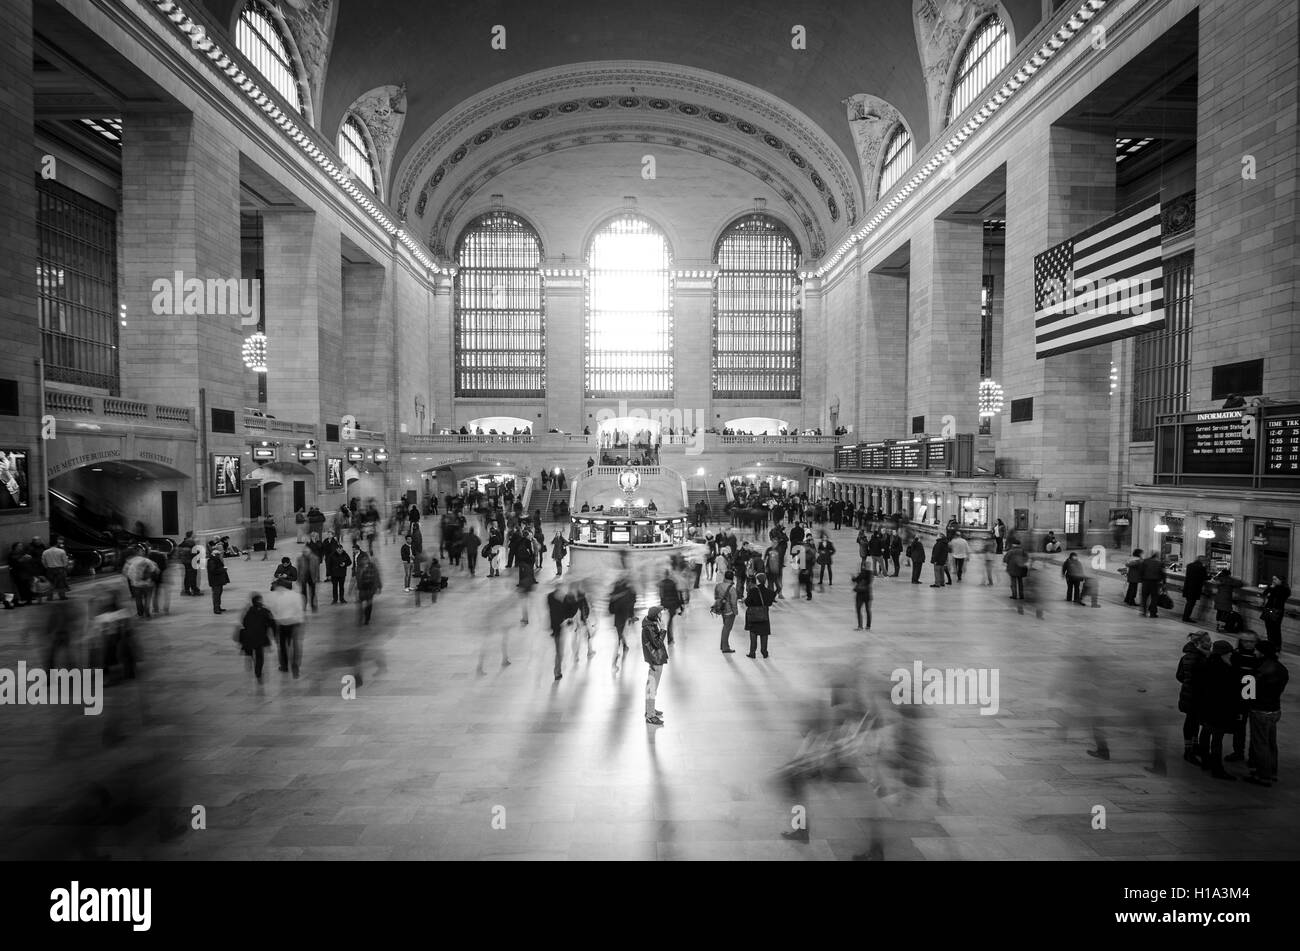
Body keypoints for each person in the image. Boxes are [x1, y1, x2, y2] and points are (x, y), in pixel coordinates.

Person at [1194, 640, 1241, 780]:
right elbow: (1230, 691)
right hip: (1219, 710)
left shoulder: (1205, 664)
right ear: (1225, 653)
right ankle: (1217, 768)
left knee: (1205, 732)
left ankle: (1205, 760)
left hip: (1206, 707)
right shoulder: (1225, 669)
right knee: (1217, 739)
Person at [1245, 642, 1288, 786]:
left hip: (1260, 710)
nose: (1255, 652)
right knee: (1271, 743)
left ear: (1263, 653)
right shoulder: (1282, 669)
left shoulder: (1260, 670)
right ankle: (1272, 772)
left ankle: (1263, 776)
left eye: (1257, 650)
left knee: (1260, 744)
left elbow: (1248, 692)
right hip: (1275, 709)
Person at [1176, 631, 1212, 764]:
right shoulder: (1199, 658)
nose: (1210, 643)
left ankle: (1194, 745)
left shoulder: (1187, 657)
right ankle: (1189, 749)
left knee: (1194, 720)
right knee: (1192, 721)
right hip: (1194, 695)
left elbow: (1179, 676)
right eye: (1207, 641)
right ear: (1198, 644)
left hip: (1189, 694)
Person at [266, 577, 304, 677]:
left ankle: (284, 666)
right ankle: (295, 664)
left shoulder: (275, 596)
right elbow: (299, 609)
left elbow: (272, 611)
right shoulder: (296, 595)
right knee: (295, 645)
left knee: (282, 646)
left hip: (281, 623)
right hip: (295, 623)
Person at [237, 593, 276, 681]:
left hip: (248, 636)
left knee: (251, 649)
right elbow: (272, 623)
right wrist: (274, 634)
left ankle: (249, 656)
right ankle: (258, 672)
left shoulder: (249, 611)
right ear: (259, 601)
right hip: (260, 636)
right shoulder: (265, 611)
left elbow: (244, 623)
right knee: (259, 655)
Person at [547, 579, 580, 681]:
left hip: (556, 627)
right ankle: (557, 672)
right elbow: (570, 612)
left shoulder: (550, 597)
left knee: (559, 651)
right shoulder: (563, 598)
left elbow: (568, 612)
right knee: (559, 652)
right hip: (559, 627)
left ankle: (557, 671)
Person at [642, 606, 669, 725]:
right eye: (660, 613)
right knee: (651, 688)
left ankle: (650, 710)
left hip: (656, 659)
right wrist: (663, 629)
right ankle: (650, 715)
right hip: (655, 661)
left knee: (652, 687)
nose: (661, 615)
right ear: (656, 616)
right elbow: (657, 643)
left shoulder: (650, 625)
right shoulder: (649, 628)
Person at [744, 572, 775, 659]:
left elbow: (747, 603)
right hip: (764, 615)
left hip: (753, 615)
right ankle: (764, 652)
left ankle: (752, 652)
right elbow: (770, 602)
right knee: (764, 633)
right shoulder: (769, 592)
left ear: (757, 581)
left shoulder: (753, 591)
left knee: (753, 632)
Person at [1259, 574, 1290, 652]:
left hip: (1277, 611)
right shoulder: (1272, 587)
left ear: (1281, 580)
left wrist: (1272, 589)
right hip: (1268, 609)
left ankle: (1277, 646)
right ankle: (1270, 644)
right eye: (1273, 579)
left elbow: (1279, 596)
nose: (1273, 581)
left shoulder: (1285, 589)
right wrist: (1270, 588)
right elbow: (1264, 594)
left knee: (1275, 629)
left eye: (1275, 579)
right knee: (1268, 628)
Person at [124, 546, 156, 618]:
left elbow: (125, 572)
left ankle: (140, 613)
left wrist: (132, 579)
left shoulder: (130, 560)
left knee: (138, 599)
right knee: (147, 598)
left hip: (136, 584)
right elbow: (154, 569)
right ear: (141, 553)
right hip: (148, 583)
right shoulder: (147, 560)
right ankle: (147, 613)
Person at [714, 570, 738, 653]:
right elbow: (734, 602)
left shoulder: (718, 585)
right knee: (727, 628)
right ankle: (725, 647)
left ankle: (723, 645)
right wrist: (735, 612)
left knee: (725, 627)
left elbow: (716, 597)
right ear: (732, 578)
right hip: (730, 611)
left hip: (722, 609)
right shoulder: (732, 588)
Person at [355, 551, 382, 626]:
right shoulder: (359, 567)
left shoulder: (372, 566)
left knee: (369, 604)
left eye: (365, 559)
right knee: (360, 603)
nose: (364, 560)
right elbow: (356, 578)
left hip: (370, 588)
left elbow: (377, 576)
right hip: (362, 588)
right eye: (363, 559)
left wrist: (379, 586)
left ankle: (367, 618)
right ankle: (361, 616)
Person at [1138, 551, 1167, 618]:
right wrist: (1164, 583)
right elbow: (1163, 574)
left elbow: (1141, 571)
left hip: (1145, 582)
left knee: (1144, 597)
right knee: (1154, 598)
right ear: (1157, 556)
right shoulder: (1160, 563)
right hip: (1155, 583)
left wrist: (1142, 580)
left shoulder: (1145, 561)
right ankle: (1152, 613)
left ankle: (1144, 612)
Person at [658, 569, 683, 643]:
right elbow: (676, 595)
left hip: (666, 603)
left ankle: (670, 638)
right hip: (673, 604)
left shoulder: (661, 583)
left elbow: (661, 595)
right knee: (670, 621)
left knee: (670, 621)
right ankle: (670, 639)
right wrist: (680, 606)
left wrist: (662, 604)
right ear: (669, 575)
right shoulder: (673, 583)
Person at [1182, 554, 1208, 623]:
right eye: (1205, 560)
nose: (1205, 561)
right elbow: (1204, 577)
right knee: (1191, 603)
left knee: (1188, 603)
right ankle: (1186, 617)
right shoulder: (1201, 568)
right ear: (1202, 560)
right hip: (1195, 588)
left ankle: (1185, 616)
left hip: (1187, 587)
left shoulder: (1189, 565)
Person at [851, 559, 873, 631]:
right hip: (868, 594)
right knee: (868, 610)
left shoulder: (862, 574)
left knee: (858, 610)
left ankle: (860, 626)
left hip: (860, 594)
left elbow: (855, 580)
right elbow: (868, 583)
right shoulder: (870, 574)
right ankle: (868, 626)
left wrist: (853, 577)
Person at [297, 545, 319, 612]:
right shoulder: (300, 558)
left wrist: (317, 577)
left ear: (310, 552)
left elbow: (317, 569)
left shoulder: (315, 558)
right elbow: (299, 569)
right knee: (303, 593)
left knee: (313, 592)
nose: (305, 553)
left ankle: (313, 605)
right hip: (303, 577)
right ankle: (304, 606)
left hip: (312, 577)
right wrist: (298, 579)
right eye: (304, 551)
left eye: (306, 551)